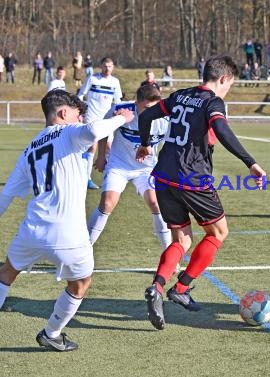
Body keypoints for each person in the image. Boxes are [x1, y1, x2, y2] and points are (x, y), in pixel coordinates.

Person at [137, 55, 266, 330]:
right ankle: (181, 288)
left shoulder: (180, 95)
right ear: (224, 79)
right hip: (192, 179)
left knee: (181, 241)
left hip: (163, 177)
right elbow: (221, 129)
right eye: (230, 83)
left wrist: (146, 144)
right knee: (218, 233)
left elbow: (147, 115)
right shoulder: (213, 102)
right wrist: (250, 162)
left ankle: (158, 287)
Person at [0, 89, 134, 351]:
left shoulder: (29, 149)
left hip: (31, 232)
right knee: (82, 282)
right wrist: (123, 118)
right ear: (63, 113)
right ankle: (52, 332)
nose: (80, 118)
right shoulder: (69, 132)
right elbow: (95, 131)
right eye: (76, 114)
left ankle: (52, 333)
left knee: (5, 274)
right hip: (69, 236)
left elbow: (5, 197)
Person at [88, 85, 171, 250]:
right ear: (136, 103)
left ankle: (169, 256)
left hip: (146, 169)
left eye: (155, 108)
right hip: (119, 165)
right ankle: (82, 250)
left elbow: (170, 146)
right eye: (147, 108)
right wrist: (101, 157)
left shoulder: (166, 119)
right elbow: (104, 132)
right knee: (107, 204)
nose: (153, 112)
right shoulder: (120, 111)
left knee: (156, 203)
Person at [77, 57, 123, 190]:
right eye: (105, 66)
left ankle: (109, 179)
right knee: (92, 147)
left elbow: (118, 101)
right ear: (100, 66)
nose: (107, 68)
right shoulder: (92, 79)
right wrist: (80, 113)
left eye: (109, 66)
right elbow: (81, 95)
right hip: (92, 117)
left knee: (109, 149)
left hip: (107, 119)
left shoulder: (115, 82)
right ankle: (86, 179)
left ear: (113, 67)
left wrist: (118, 116)